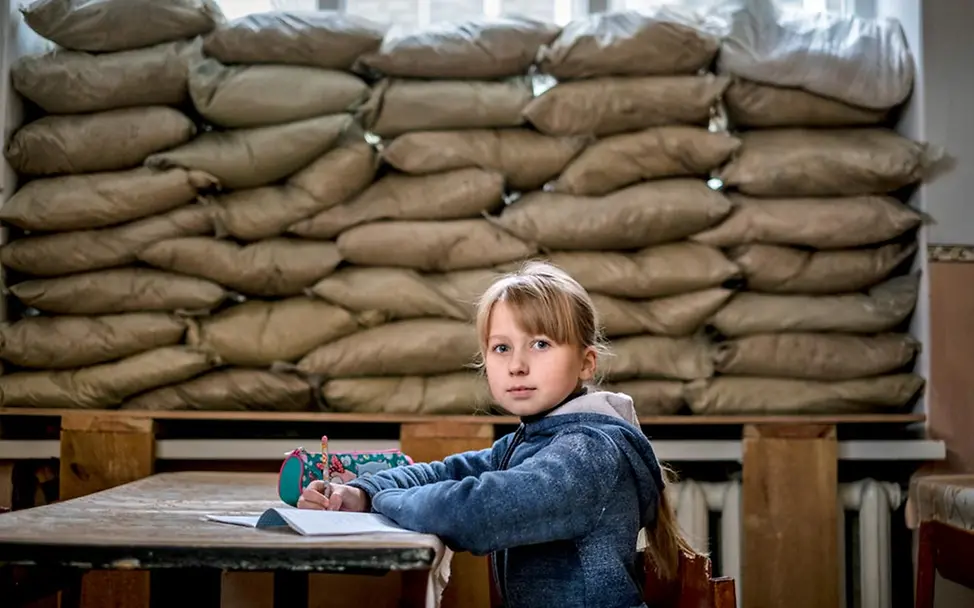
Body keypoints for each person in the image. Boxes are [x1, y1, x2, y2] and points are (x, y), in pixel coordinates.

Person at [297, 261, 695, 608]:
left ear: (586, 363)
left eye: (541, 344)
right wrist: (361, 492)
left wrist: (382, 500)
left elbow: (479, 511)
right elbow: (449, 473)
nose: (517, 365)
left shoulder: (586, 453)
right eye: (501, 348)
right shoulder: (537, 439)